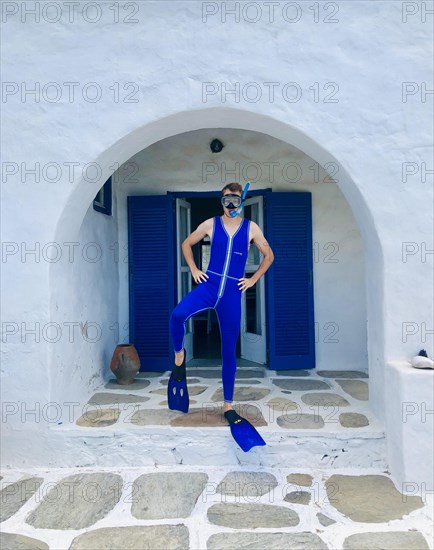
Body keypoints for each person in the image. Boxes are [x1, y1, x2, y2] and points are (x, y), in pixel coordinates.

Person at [168, 182, 274, 450]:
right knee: (177, 315)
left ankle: (228, 405)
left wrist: (253, 279)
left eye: (235, 199)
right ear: (222, 200)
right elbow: (186, 243)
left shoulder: (251, 228)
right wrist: (193, 268)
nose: (231, 203)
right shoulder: (210, 224)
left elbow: (269, 255)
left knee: (229, 350)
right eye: (227, 198)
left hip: (232, 292)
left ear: (241, 200)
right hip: (209, 286)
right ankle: (179, 356)